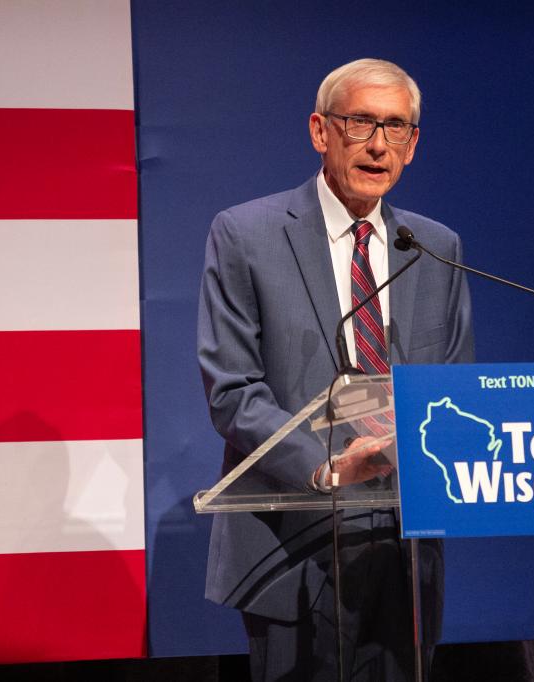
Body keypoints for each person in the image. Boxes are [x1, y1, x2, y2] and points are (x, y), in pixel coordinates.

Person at [198, 58, 474, 681]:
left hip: (406, 546)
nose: (379, 145)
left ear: (414, 145)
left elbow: (454, 387)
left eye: (396, 128)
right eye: (360, 123)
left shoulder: (435, 247)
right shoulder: (245, 234)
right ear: (321, 131)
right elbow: (233, 391)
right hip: (293, 542)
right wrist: (326, 467)